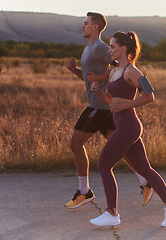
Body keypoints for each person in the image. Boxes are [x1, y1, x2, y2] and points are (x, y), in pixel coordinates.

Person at [90, 31, 166, 227]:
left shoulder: (133, 72)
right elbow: (109, 101)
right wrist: (98, 92)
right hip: (122, 125)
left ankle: (112, 213)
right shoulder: (114, 71)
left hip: (129, 125)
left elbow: (150, 96)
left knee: (103, 165)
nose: (110, 50)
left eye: (112, 47)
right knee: (144, 169)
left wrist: (125, 105)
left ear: (123, 49)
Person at [65, 12, 154, 209]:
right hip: (104, 105)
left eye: (85, 23)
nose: (82, 26)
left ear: (95, 27)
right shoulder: (89, 49)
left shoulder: (99, 48)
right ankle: (145, 181)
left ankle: (84, 192)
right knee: (124, 149)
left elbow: (118, 64)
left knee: (76, 144)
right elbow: (90, 79)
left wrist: (101, 79)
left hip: (100, 106)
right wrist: (75, 71)